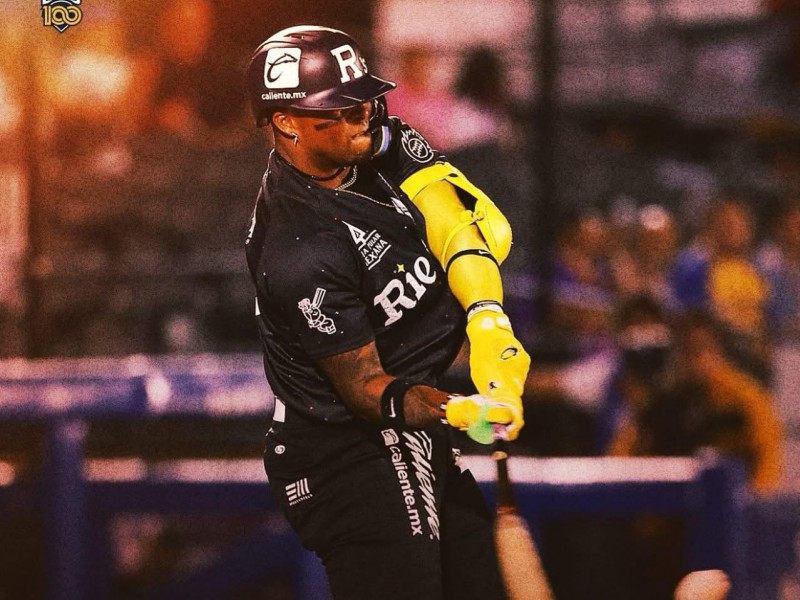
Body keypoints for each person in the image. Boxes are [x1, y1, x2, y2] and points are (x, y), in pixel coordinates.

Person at [243, 26, 530, 599]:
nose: (362, 115)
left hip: (411, 425)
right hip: (342, 450)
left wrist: (487, 319)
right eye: (338, 107)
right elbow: (366, 389)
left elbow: (458, 223)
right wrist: (461, 410)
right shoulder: (299, 250)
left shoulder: (376, 141)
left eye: (363, 99)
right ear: (287, 122)